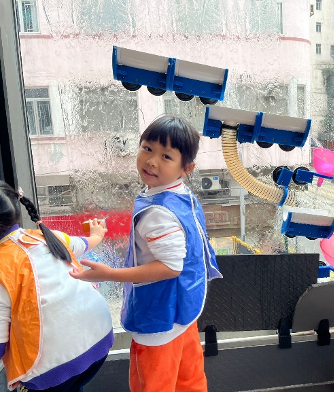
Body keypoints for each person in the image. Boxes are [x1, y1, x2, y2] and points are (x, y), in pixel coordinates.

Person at [70, 115, 222, 392]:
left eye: (166, 156)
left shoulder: (158, 214)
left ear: (186, 168)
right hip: (184, 312)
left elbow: (171, 267)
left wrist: (110, 274)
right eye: (147, 148)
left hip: (159, 318)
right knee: (190, 381)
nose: (151, 161)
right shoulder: (182, 195)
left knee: (153, 384)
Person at [0, 181, 114, 392]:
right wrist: (98, 233)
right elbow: (85, 243)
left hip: (52, 369)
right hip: (99, 340)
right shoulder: (47, 236)